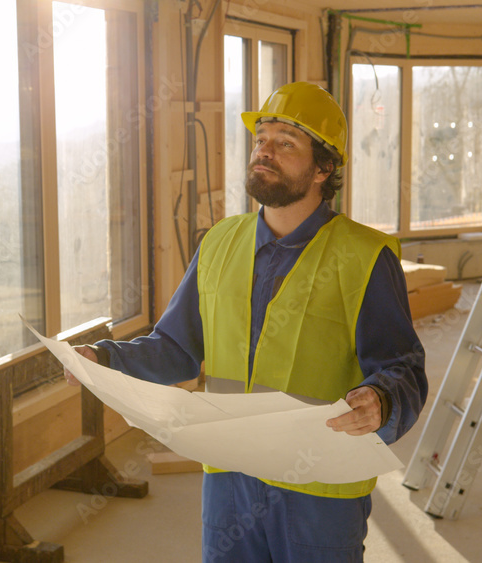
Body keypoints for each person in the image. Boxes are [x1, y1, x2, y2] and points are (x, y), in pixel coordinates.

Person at [64, 81, 427, 562]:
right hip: (230, 473)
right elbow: (176, 346)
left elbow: (403, 367)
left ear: (323, 168)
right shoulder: (219, 242)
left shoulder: (364, 256)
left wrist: (381, 401)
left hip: (318, 482)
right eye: (261, 140)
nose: (265, 152)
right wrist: (106, 359)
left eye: (285, 143)